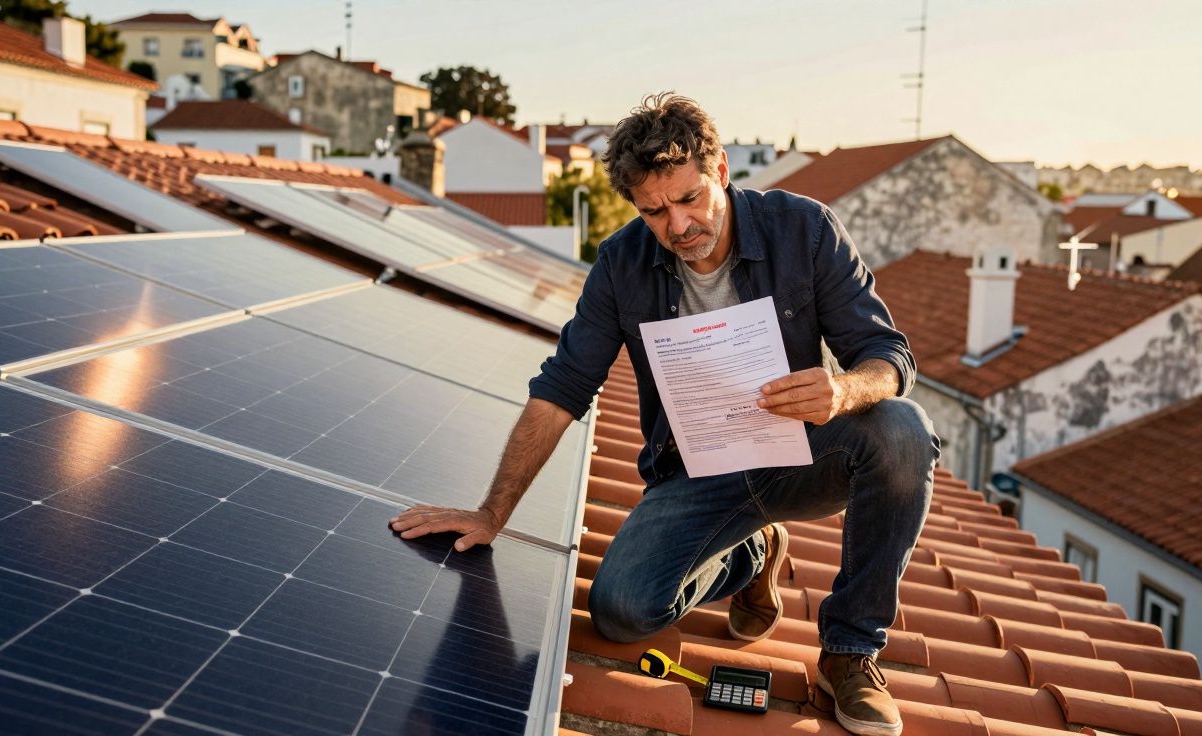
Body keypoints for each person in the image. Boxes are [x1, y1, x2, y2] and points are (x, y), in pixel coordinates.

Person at [390, 93, 938, 736]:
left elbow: (889, 356)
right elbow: (563, 387)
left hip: (803, 453)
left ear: (721, 171)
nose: (678, 225)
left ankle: (849, 653)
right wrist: (492, 513)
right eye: (653, 211)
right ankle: (751, 553)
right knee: (621, 612)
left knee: (904, 431)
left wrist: (844, 391)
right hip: (695, 471)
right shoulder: (621, 265)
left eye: (689, 199)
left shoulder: (804, 229)